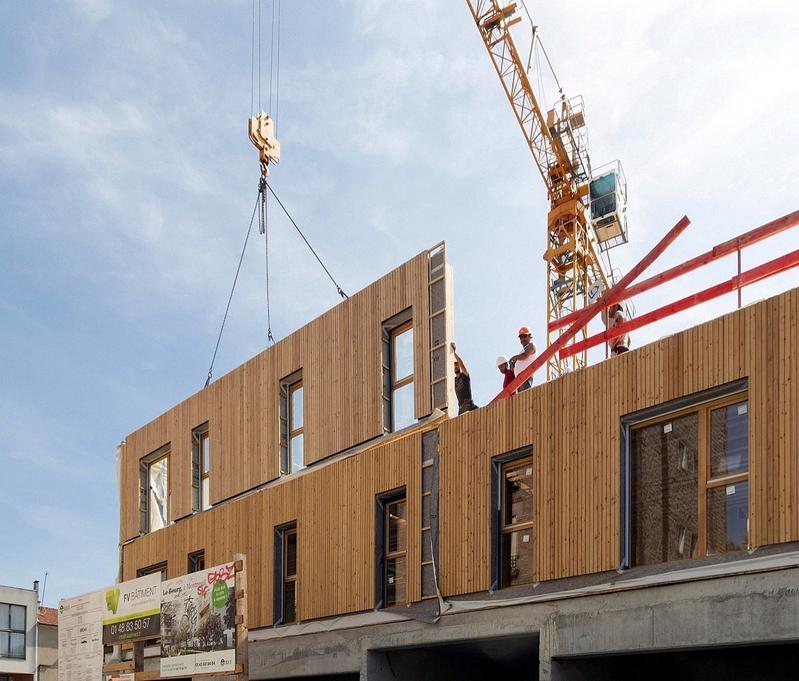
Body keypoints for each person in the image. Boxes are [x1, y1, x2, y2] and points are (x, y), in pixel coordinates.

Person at [451, 342, 478, 414]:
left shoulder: (465, 375)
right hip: (461, 408)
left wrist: (454, 353)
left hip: (468, 405)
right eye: (454, 365)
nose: (456, 366)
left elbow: (462, 365)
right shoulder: (453, 381)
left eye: (457, 365)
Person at [509, 326, 536, 391]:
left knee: (526, 398)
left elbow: (525, 356)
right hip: (519, 380)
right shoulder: (522, 351)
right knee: (522, 399)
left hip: (526, 377)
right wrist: (513, 366)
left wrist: (514, 357)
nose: (522, 339)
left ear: (530, 336)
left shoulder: (531, 345)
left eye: (524, 336)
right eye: (521, 337)